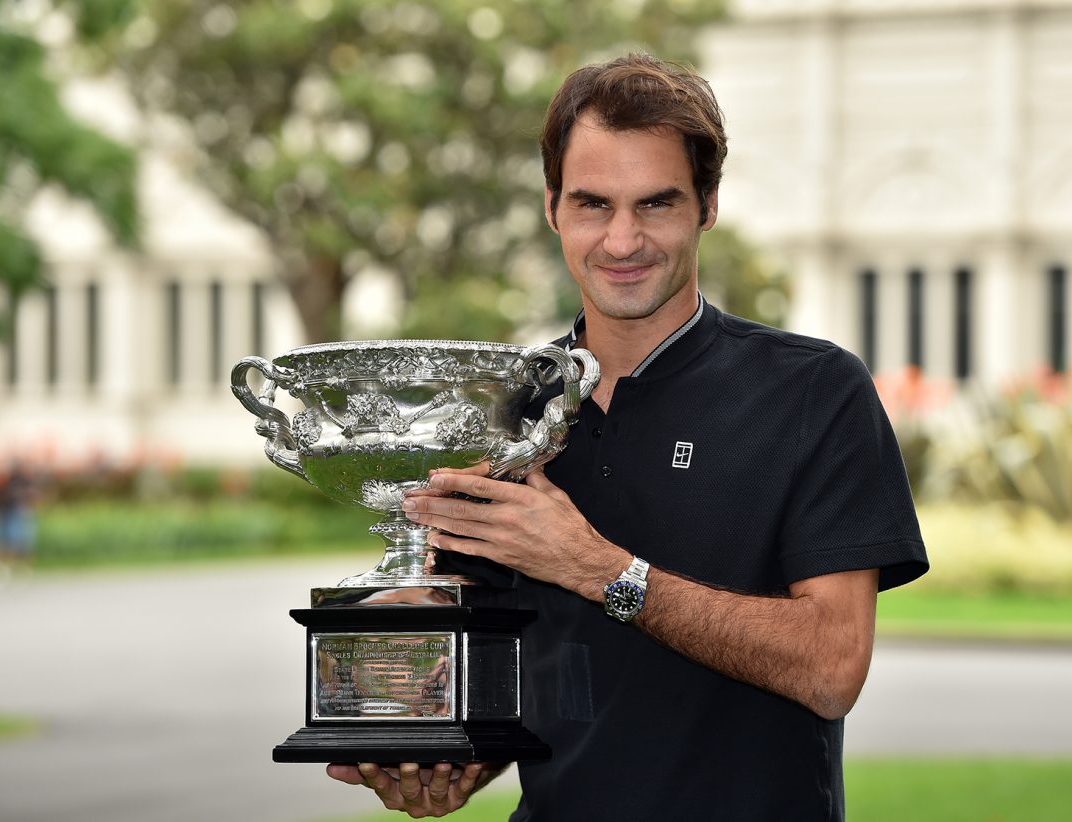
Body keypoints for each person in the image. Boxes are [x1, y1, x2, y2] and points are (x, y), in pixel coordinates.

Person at [328, 53, 928, 820]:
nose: (621, 240)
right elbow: (518, 669)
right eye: (593, 204)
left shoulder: (813, 391)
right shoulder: (501, 410)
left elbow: (831, 668)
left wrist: (600, 569)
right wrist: (453, 753)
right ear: (552, 208)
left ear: (707, 205)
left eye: (655, 204)